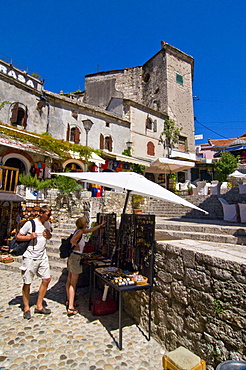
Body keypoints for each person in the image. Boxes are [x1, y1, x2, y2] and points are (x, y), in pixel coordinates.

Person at [16, 205, 52, 319]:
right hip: (30, 257)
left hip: (42, 256)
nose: (49, 217)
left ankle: (39, 305)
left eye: (50, 215)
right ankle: (26, 308)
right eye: (48, 214)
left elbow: (49, 236)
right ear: (41, 213)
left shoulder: (47, 224)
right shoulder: (30, 224)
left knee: (46, 279)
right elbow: (18, 236)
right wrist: (29, 237)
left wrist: (48, 235)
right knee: (27, 282)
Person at [66, 216, 106, 316]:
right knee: (73, 283)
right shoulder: (79, 232)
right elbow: (72, 241)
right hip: (75, 257)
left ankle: (69, 300)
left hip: (72, 257)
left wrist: (100, 225)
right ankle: (71, 307)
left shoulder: (79, 231)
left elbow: (91, 230)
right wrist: (76, 245)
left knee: (69, 280)